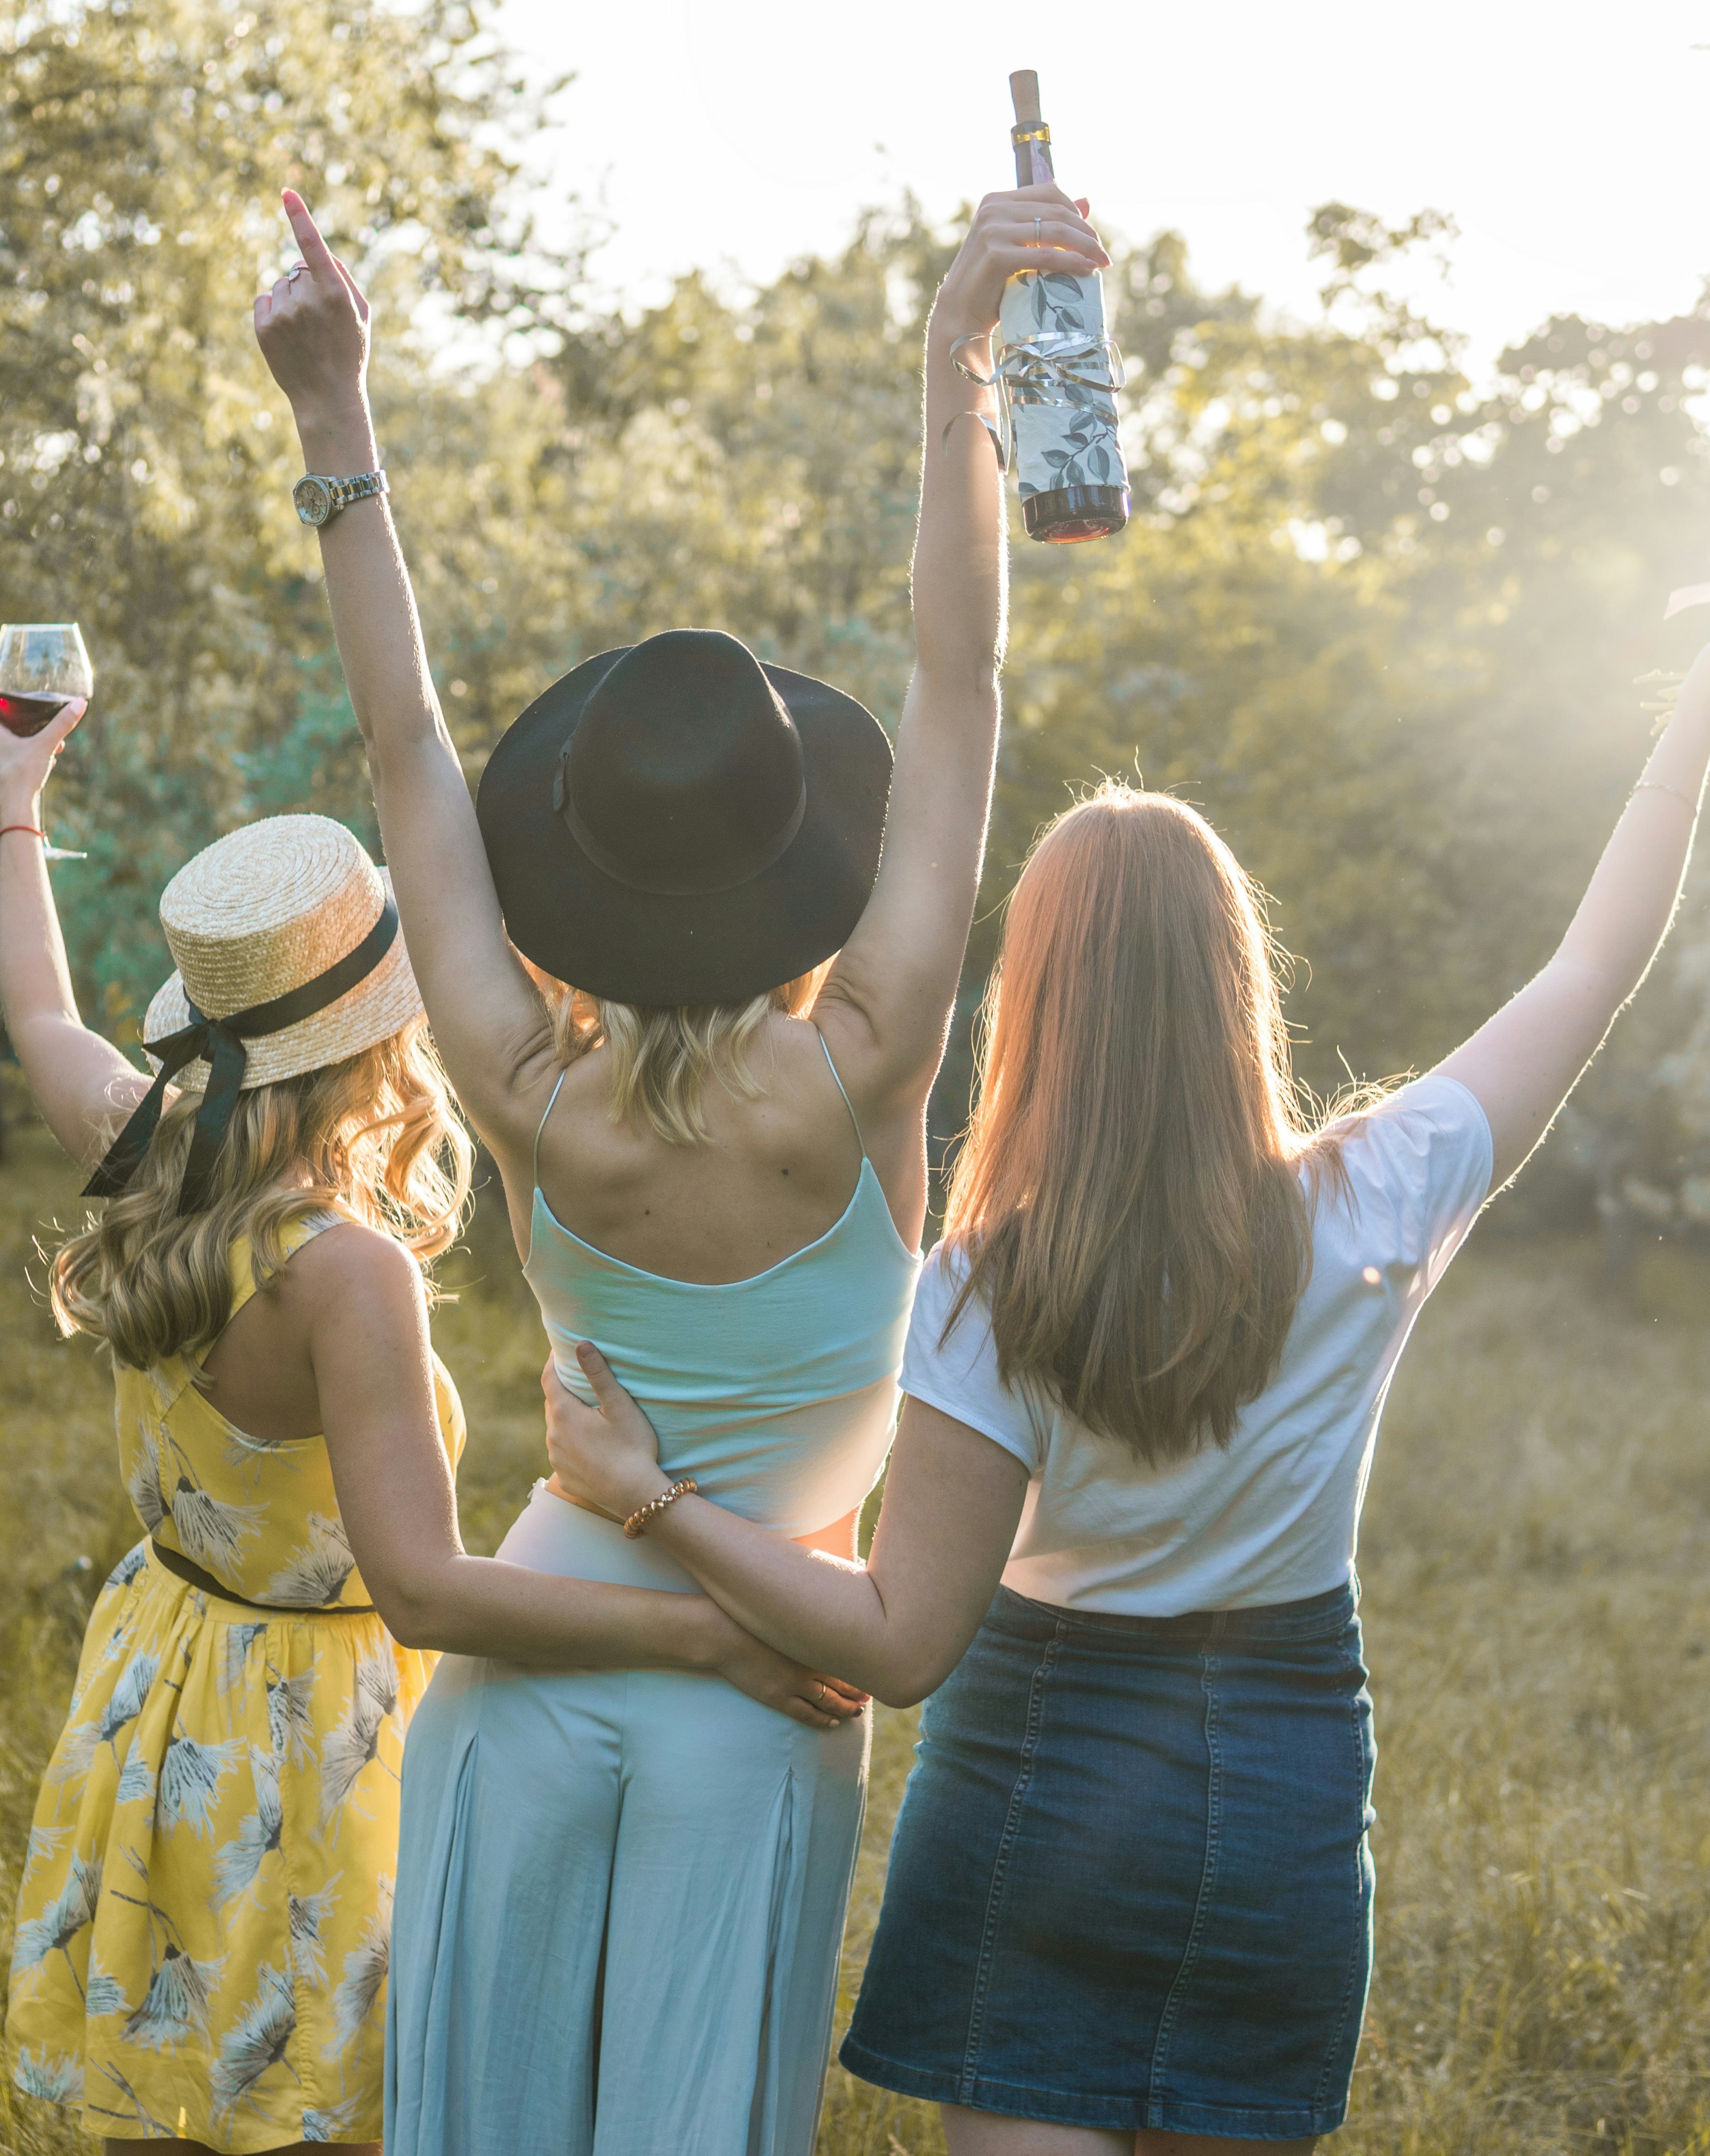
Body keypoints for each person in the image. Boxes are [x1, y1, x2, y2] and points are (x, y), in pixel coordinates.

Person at [542, 616, 1710, 2154]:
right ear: (1236, 980)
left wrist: (655, 1499)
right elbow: (1594, 963)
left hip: (1034, 1781)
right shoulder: (1382, 1190)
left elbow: (897, 1642)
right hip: (1276, 1776)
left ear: (1037, 999)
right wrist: (1698, 715)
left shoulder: (988, 1286)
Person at [242, 178, 1105, 2154]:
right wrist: (946, 372)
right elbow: (961, 688)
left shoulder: (530, 1091)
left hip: (539, 1643)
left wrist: (334, 420)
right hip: (769, 1677)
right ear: (798, 871)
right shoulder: (870, 1060)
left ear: (587, 877)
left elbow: (402, 743)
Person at [0, 720, 864, 2150]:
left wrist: (19, 807)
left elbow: (38, 1018)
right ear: (382, 1028)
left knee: (169, 2088)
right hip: (299, 1740)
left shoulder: (152, 1150)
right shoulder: (344, 1270)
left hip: (160, 1680)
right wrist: (712, 1637)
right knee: (304, 2098)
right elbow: (426, 1589)